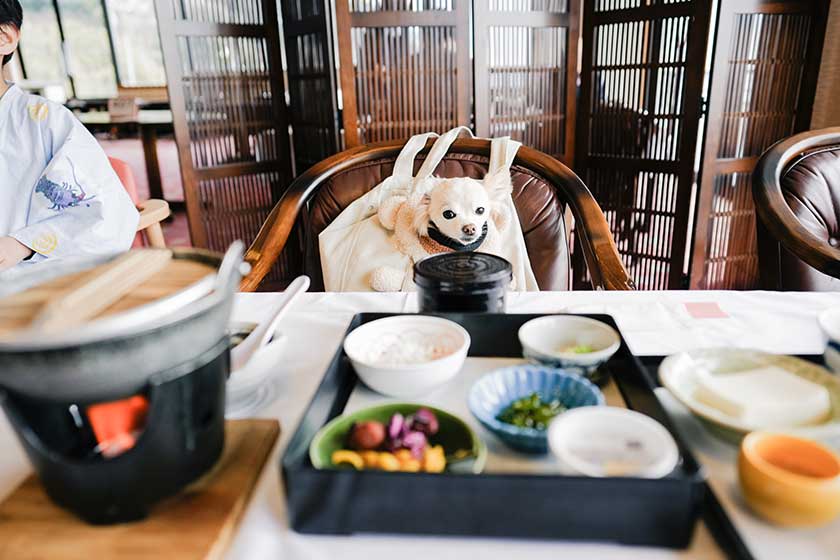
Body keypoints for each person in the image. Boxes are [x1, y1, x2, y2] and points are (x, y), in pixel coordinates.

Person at [0, 0, 138, 274]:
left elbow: (108, 215)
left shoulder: (45, 122)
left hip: (29, 288)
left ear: (5, 39)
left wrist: (23, 244)